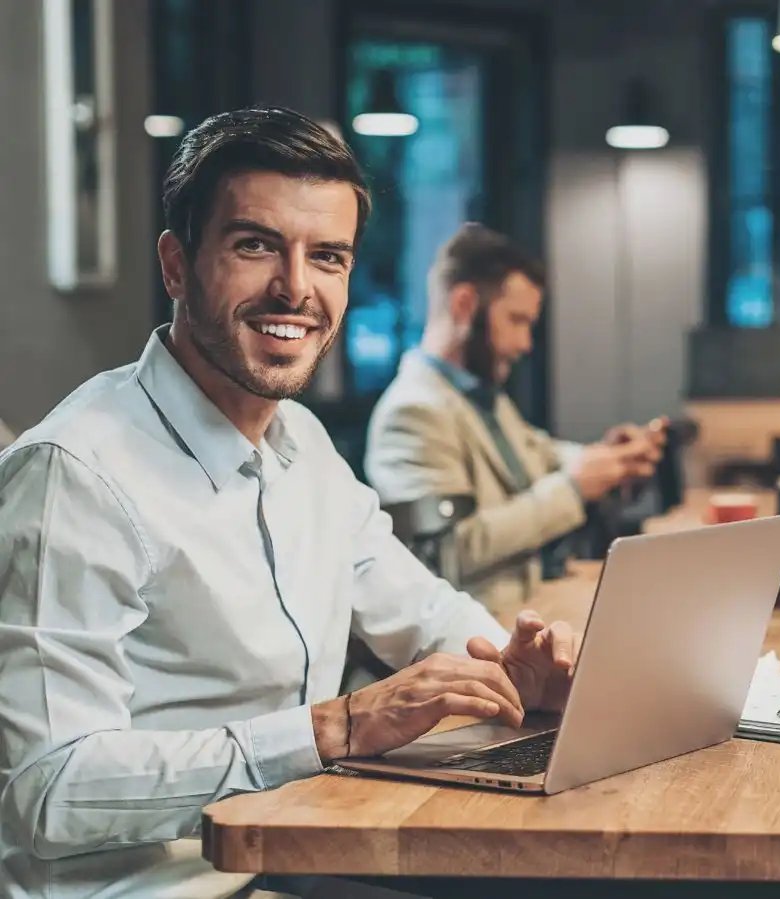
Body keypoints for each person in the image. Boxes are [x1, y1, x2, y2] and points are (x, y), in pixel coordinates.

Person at [0, 108, 577, 898]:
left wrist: (515, 665)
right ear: (176, 265)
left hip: (291, 856)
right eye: (255, 245)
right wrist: (332, 728)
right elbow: (47, 788)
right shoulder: (75, 474)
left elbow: (420, 606)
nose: (295, 288)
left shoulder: (300, 442)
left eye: (327, 257)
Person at [364, 223, 665, 616]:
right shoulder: (412, 413)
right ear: (464, 305)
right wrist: (574, 488)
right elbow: (446, 555)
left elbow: (540, 451)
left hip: (534, 608)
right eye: (517, 321)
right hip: (476, 644)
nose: (525, 344)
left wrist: (613, 459)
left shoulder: (480, 398)